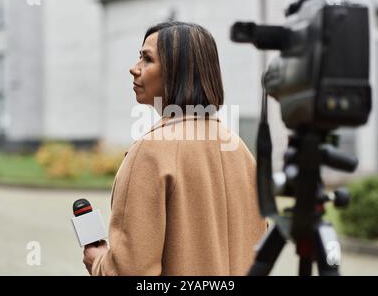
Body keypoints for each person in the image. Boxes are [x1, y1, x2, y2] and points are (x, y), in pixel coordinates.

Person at [83, 21, 268, 275]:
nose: (133, 69)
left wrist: (99, 262)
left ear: (176, 72)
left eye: (147, 59)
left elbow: (131, 271)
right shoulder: (240, 150)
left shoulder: (151, 151)